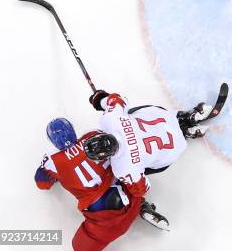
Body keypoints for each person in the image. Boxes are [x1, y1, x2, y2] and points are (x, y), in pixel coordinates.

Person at [82, 89, 222, 226]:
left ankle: (186, 133)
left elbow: (142, 189)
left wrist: (137, 168)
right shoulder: (110, 120)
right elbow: (119, 99)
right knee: (132, 113)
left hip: (175, 148)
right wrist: (101, 100)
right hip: (164, 118)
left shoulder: (122, 168)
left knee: (132, 175)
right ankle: (186, 117)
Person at [35, 117, 165, 250]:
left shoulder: (52, 161)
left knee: (79, 247)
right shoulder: (93, 135)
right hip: (131, 193)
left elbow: (42, 184)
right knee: (125, 171)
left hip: (105, 217)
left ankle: (138, 206)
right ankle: (141, 205)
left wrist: (58, 175)